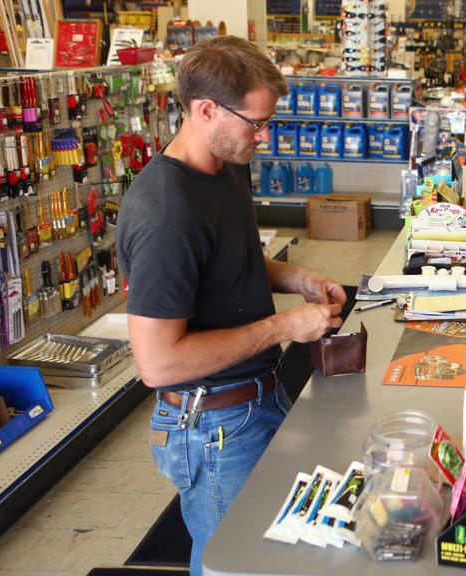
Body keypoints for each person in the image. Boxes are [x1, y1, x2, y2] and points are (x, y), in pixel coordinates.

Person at [116, 35, 345, 576]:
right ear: (206, 110)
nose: (264, 137)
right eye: (256, 123)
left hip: (258, 398)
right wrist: (283, 326)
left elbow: (227, 259)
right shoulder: (165, 216)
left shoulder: (227, 163)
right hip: (215, 427)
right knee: (232, 565)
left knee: (270, 555)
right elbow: (158, 364)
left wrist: (296, 278)